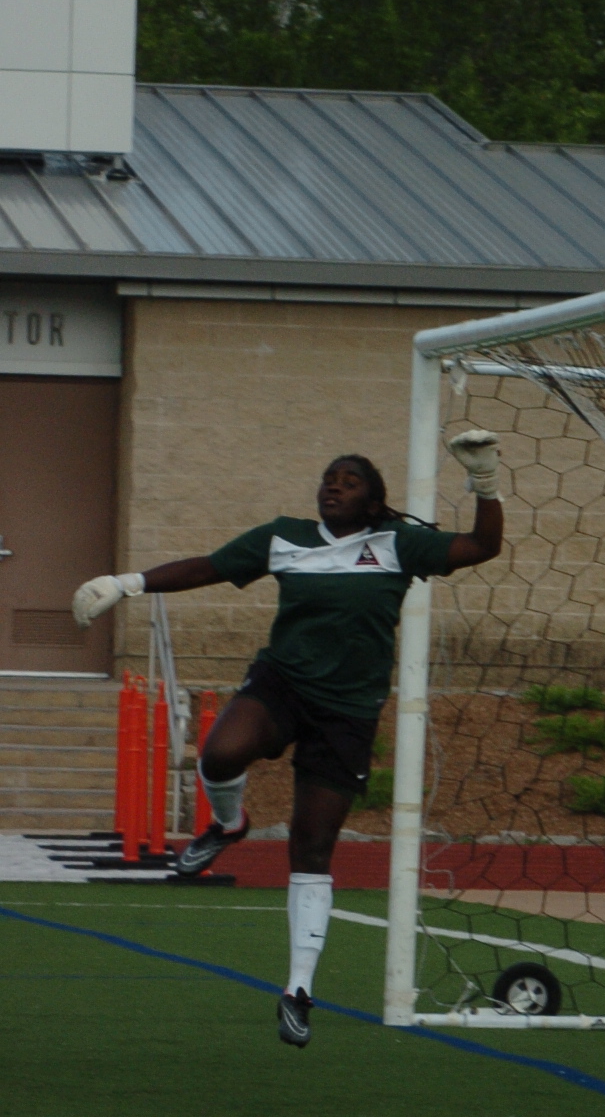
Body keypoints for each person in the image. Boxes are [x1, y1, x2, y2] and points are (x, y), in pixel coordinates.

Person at [72, 432, 505, 1048]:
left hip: (347, 712)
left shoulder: (398, 543)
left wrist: (485, 481)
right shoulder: (285, 537)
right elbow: (210, 567)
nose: (334, 486)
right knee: (220, 752)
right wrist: (127, 583)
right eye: (329, 478)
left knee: (311, 848)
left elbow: (483, 546)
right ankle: (228, 824)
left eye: (349, 482)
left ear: (373, 502)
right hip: (283, 685)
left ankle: (298, 989)